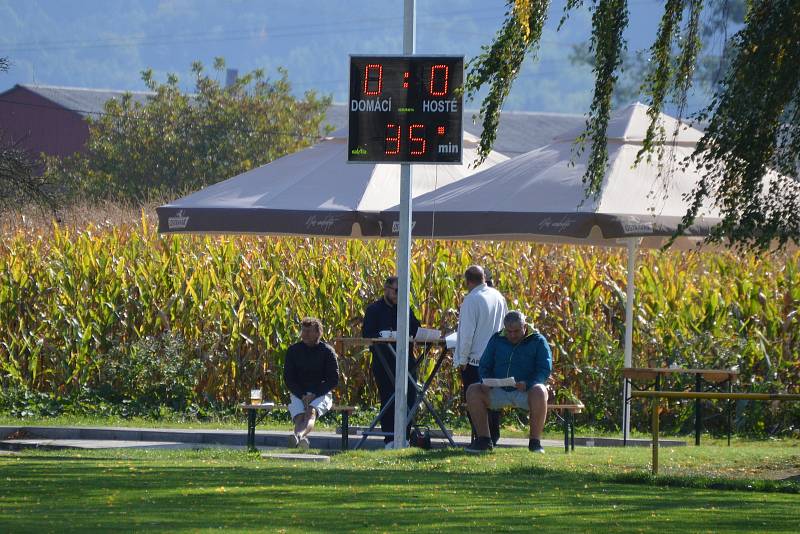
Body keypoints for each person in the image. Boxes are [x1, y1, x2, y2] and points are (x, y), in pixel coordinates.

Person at [465, 310, 552, 454]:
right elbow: (484, 365)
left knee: (540, 391)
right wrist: (485, 381)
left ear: (525, 327)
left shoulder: (538, 341)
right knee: (473, 390)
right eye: (509, 331)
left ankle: (535, 443)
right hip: (498, 390)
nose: (512, 335)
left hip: (526, 391)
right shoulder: (496, 339)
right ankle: (484, 440)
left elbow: (544, 369)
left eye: (516, 331)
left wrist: (529, 383)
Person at [362, 275, 421, 447]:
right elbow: (367, 334)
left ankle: (405, 438)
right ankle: (389, 439)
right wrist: (385, 334)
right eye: (396, 291)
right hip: (384, 361)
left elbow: (416, 329)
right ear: (386, 289)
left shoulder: (405, 308)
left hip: (406, 360)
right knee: (389, 398)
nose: (398, 295)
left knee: (410, 396)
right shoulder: (374, 310)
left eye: (403, 292)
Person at [455, 265, 507, 445]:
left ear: (468, 281)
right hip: (496, 359)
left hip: (475, 361)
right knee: (493, 399)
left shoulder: (471, 300)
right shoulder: (499, 297)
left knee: (474, 398)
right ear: (484, 278)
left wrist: (462, 359)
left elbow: (467, 334)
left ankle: (481, 436)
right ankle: (494, 435)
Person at [283, 317, 340, 449]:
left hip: (322, 393)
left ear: (318, 333)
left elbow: (333, 379)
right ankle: (300, 439)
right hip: (299, 392)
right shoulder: (293, 351)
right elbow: (289, 378)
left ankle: (298, 436)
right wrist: (302, 394)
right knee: (299, 417)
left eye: (308, 332)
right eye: (303, 331)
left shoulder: (327, 351)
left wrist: (315, 394)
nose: (304, 335)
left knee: (311, 412)